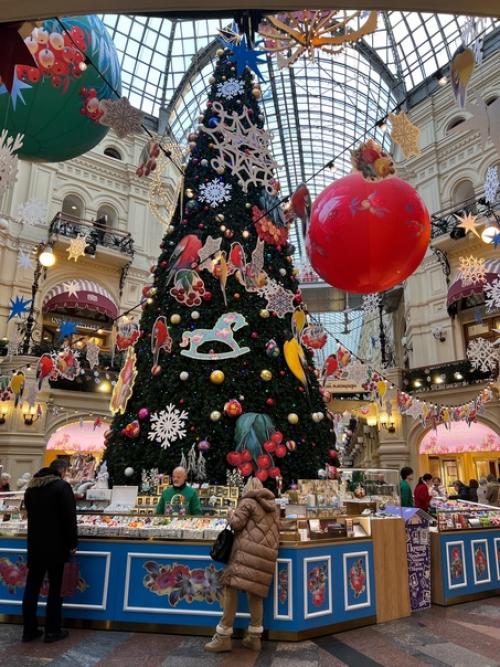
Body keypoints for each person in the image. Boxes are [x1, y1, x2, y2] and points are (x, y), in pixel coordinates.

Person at [205, 477, 279, 653]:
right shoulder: (274, 506)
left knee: (230, 588)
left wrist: (230, 514)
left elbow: (237, 524)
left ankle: (223, 637)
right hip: (265, 556)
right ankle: (254, 638)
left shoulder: (247, 501)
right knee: (255, 593)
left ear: (247, 488)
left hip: (246, 554)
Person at [22, 458, 77, 643]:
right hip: (56, 546)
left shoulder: (31, 488)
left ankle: (29, 629)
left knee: (32, 587)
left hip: (35, 545)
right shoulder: (62, 487)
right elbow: (69, 517)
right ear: (62, 471)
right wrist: (72, 543)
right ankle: (52, 630)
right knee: (55, 589)